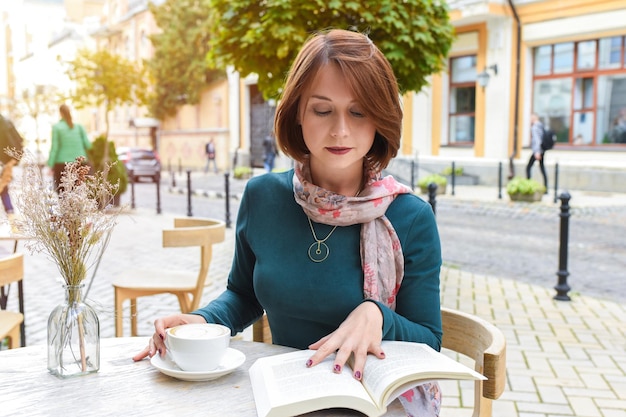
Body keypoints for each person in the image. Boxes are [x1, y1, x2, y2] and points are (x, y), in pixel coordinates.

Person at [133, 29, 443, 415]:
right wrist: (199, 321)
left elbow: (429, 341)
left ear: (380, 118)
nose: (340, 130)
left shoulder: (410, 217)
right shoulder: (262, 197)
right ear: (297, 112)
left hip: (373, 405)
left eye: (359, 111)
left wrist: (378, 315)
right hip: (282, 400)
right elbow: (244, 295)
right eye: (322, 109)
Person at [48, 104, 92, 191]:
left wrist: (50, 164)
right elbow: (88, 145)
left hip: (62, 165)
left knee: (63, 193)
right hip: (80, 164)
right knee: (79, 192)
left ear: (60, 113)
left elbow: (54, 148)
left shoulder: (57, 127)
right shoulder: (79, 127)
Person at [0, 114, 23, 232]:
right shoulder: (6, 120)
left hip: (3, 162)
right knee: (4, 192)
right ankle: (13, 221)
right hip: (5, 162)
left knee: (4, 191)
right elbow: (19, 140)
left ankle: (14, 222)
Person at [526, 113, 548, 191]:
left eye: (531, 117)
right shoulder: (541, 126)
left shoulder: (535, 127)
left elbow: (537, 140)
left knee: (528, 167)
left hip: (538, 151)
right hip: (542, 150)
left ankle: (528, 186)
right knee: (542, 168)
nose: (530, 119)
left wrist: (537, 152)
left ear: (534, 118)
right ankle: (546, 188)